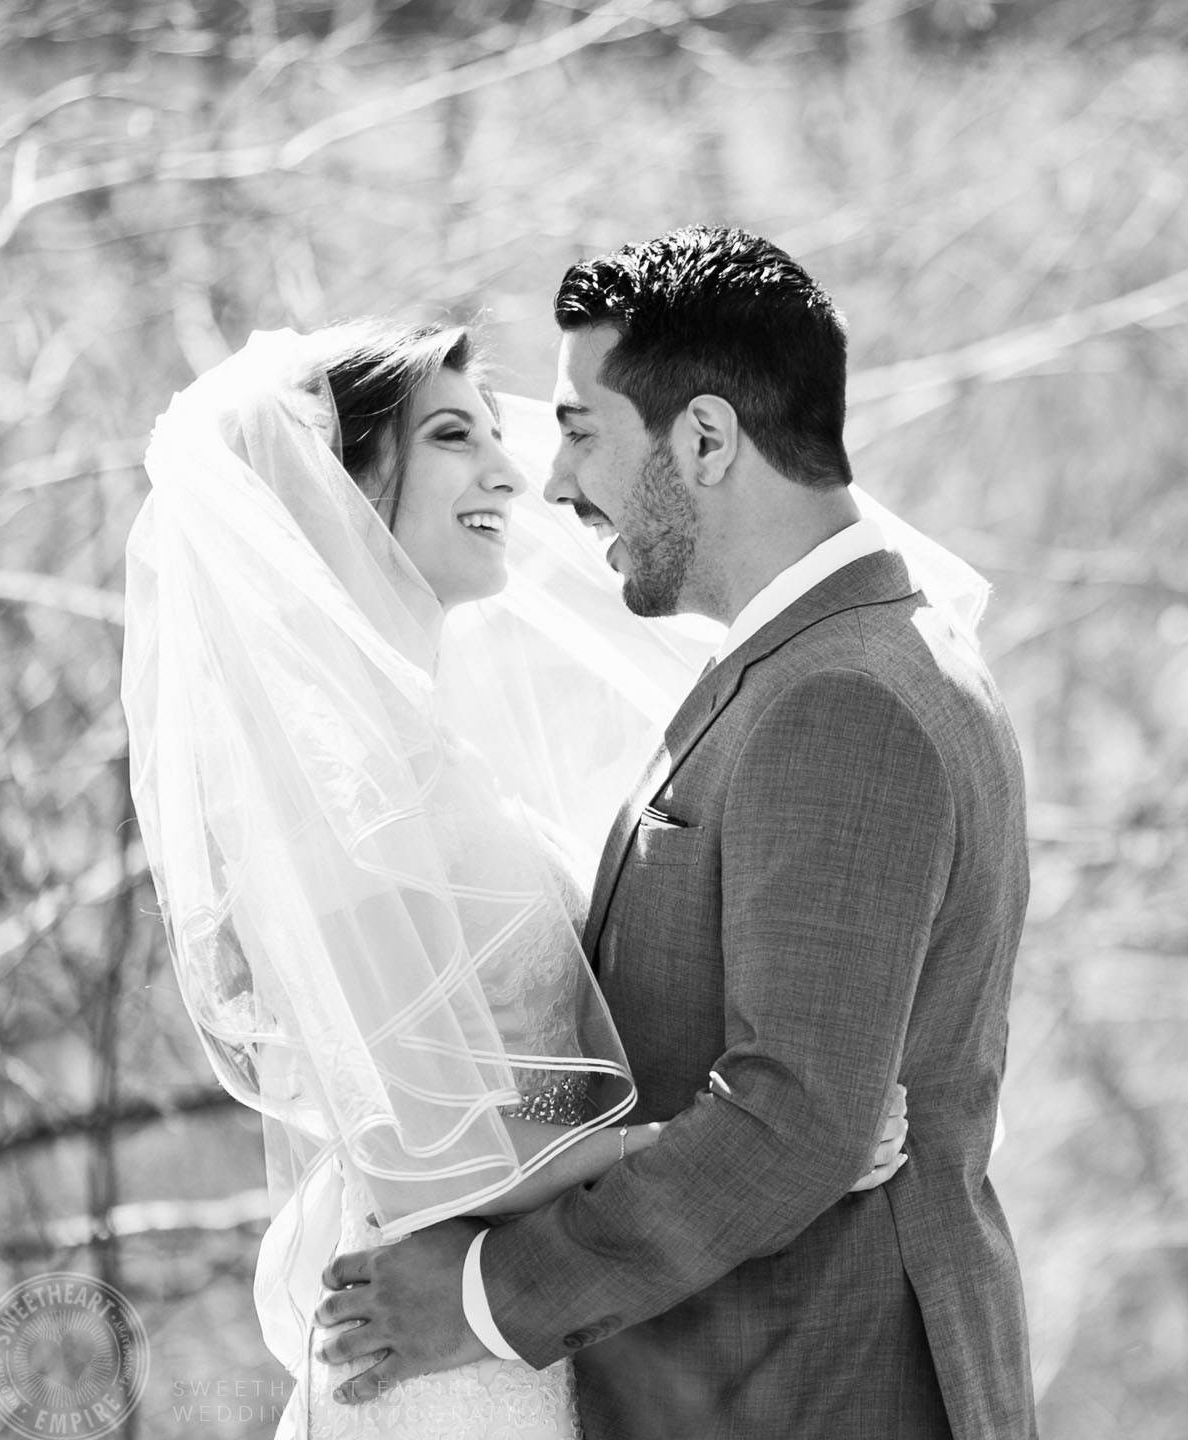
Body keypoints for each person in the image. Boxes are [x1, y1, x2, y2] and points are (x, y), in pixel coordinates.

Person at [122, 320, 909, 1440]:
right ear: (334, 492)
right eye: (454, 435)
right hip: (448, 1364)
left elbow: (514, 1078)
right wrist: (757, 1150)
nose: (510, 468)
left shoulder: (429, 755)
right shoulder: (345, 799)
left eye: (498, 431)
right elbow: (414, 1151)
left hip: (527, 1346)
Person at [317, 227, 1039, 1439]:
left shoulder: (842, 698)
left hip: (821, 1388)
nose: (550, 484)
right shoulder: (822, 662)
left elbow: (795, 1120)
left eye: (581, 431)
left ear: (704, 440)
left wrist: (487, 1301)